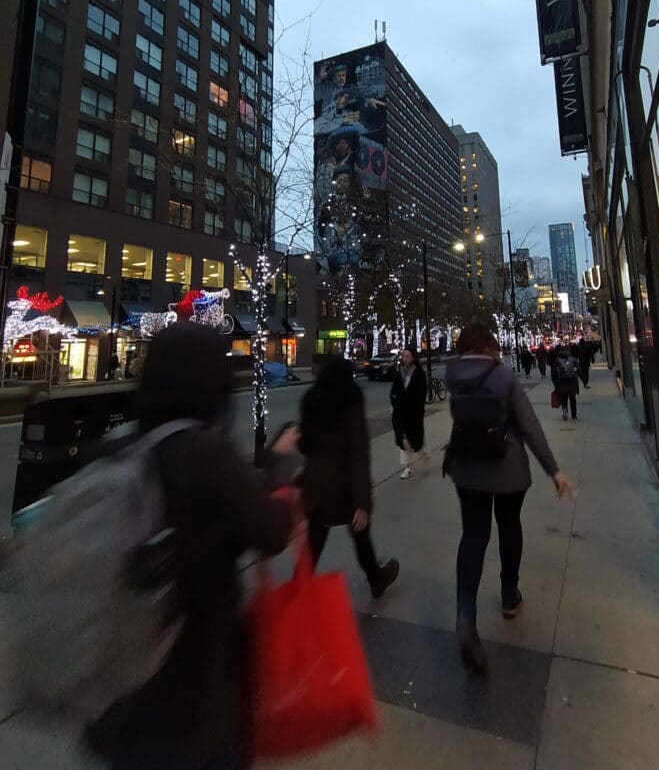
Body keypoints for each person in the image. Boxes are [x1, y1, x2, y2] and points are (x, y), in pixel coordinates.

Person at [87, 321, 297, 770]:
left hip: (120, 676)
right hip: (194, 678)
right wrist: (279, 463)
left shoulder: (119, 446)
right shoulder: (204, 451)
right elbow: (271, 530)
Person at [445, 323, 574, 674]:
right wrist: (554, 470)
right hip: (507, 468)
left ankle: (465, 617)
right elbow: (529, 425)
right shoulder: (502, 376)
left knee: (473, 535)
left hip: (466, 467)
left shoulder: (451, 374)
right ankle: (509, 595)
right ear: (490, 344)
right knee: (509, 525)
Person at [299, 356, 399, 598]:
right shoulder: (352, 401)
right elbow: (359, 453)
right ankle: (376, 578)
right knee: (361, 538)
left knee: (313, 543)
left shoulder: (311, 400)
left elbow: (305, 445)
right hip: (345, 486)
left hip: (317, 484)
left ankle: (298, 592)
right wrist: (363, 502)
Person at [390, 345, 428, 479]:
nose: (405, 359)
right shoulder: (399, 372)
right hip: (400, 413)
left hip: (414, 413)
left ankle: (422, 453)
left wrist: (416, 407)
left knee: (414, 439)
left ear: (413, 358)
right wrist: (395, 401)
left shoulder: (418, 373)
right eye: (403, 356)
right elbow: (393, 391)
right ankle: (408, 467)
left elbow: (422, 394)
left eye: (407, 356)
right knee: (404, 440)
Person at [552, 345, 580, 420]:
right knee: (572, 399)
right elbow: (578, 370)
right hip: (572, 382)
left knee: (564, 398)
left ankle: (565, 411)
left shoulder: (557, 360)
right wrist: (583, 381)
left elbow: (554, 373)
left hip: (562, 382)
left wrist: (555, 383)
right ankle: (574, 415)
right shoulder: (573, 359)